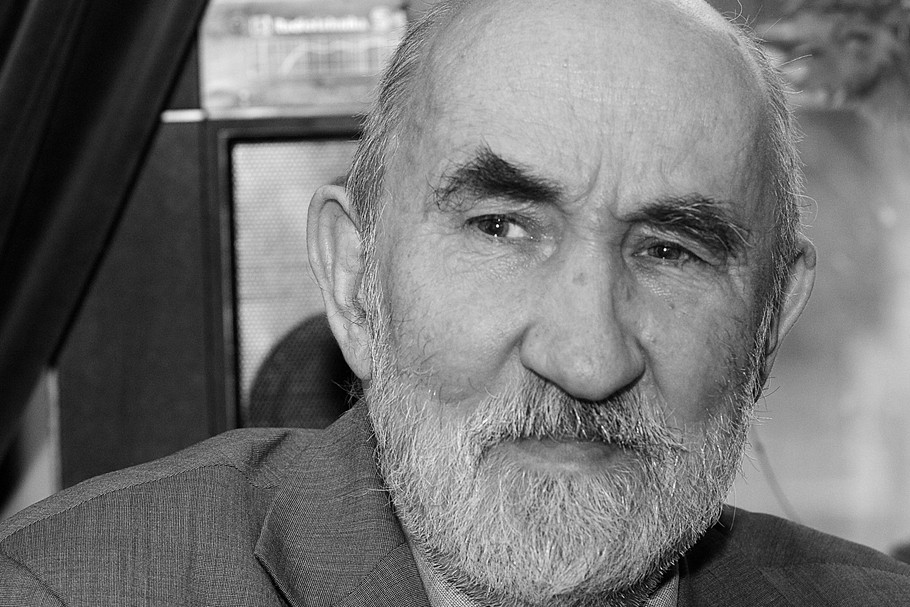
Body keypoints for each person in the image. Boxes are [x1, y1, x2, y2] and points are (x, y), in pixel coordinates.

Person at [2, 0, 909, 604]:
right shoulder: (68, 588)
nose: (588, 358)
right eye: (501, 228)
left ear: (770, 320)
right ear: (355, 281)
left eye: (670, 250)